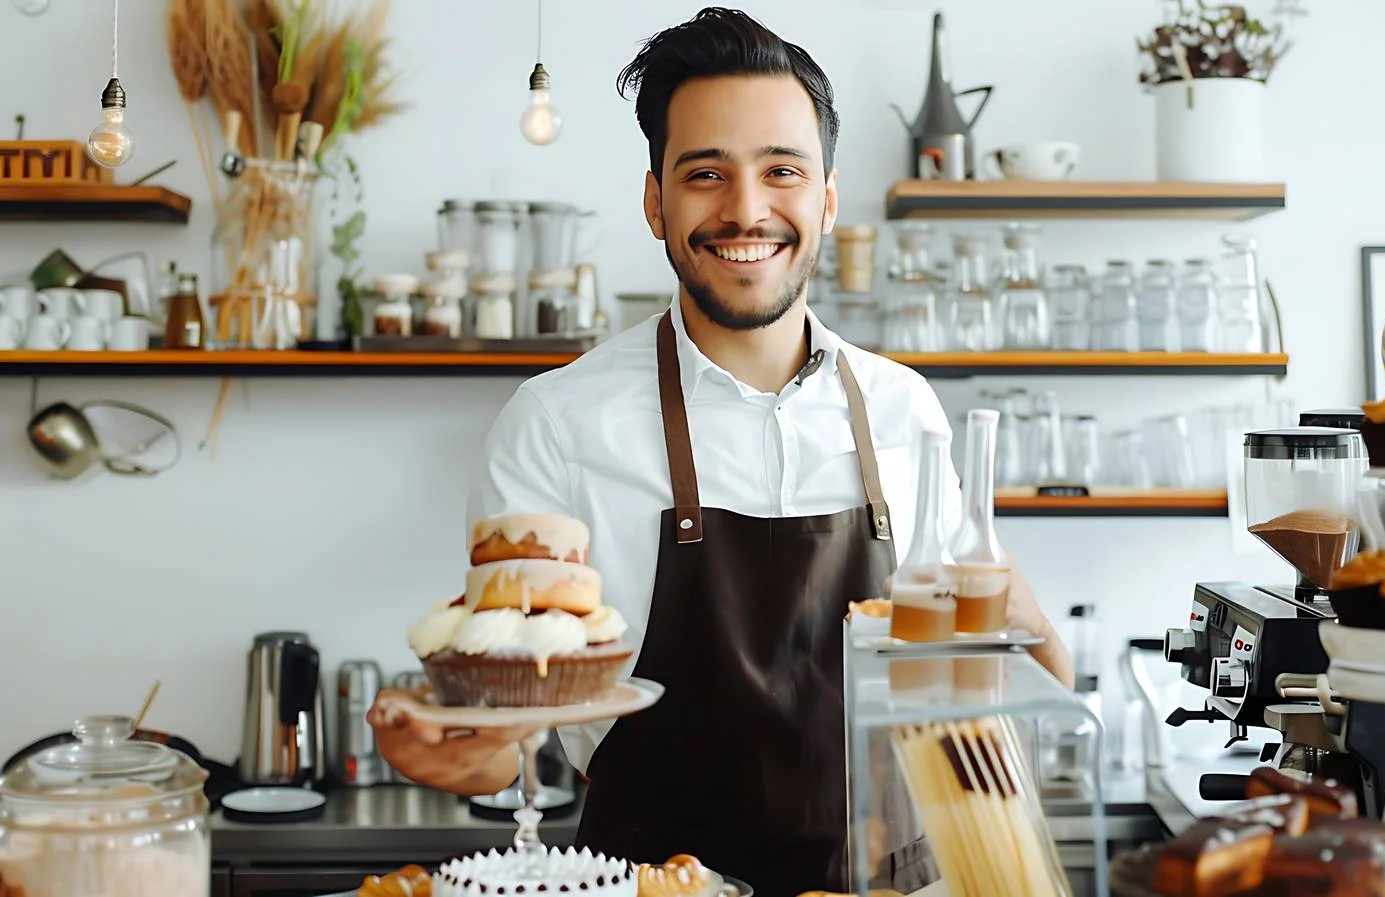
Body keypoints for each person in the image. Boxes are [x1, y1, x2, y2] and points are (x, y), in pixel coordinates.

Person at [371, 7, 1072, 893]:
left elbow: (988, 698)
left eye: (781, 170)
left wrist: (1033, 631)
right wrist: (447, 751)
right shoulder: (555, 423)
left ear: (825, 197)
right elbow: (504, 739)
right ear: (655, 200)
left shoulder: (907, 412)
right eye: (706, 173)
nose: (746, 210)